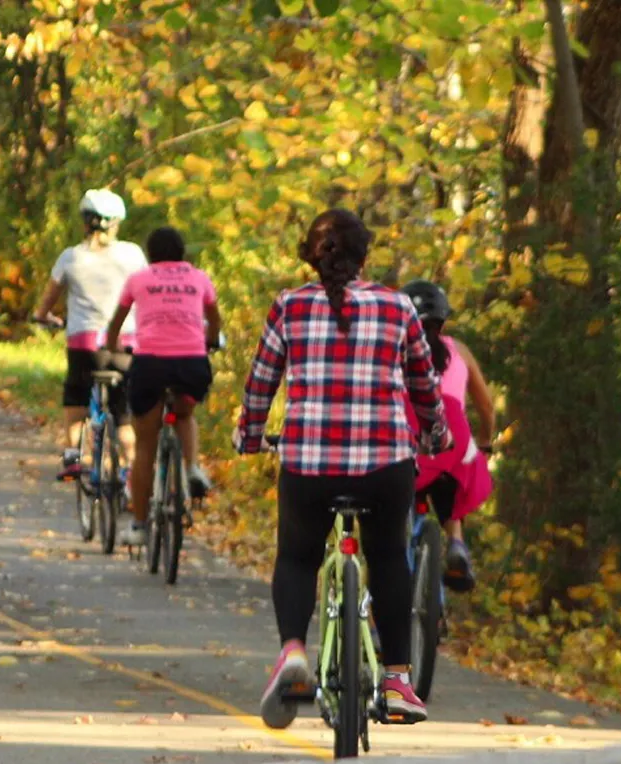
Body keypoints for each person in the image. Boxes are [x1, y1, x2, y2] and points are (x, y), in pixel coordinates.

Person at [234, 209, 451, 729]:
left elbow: (262, 382)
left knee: (297, 556)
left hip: (309, 465)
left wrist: (249, 435)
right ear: (364, 257)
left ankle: (292, 652)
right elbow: (424, 387)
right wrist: (437, 434)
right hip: (385, 466)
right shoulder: (398, 307)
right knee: (389, 557)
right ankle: (398, 680)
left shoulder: (289, 306)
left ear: (310, 255)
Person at [103, 227, 221, 547]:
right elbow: (214, 316)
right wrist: (210, 341)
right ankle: (192, 467)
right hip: (191, 363)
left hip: (150, 363)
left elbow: (117, 321)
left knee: (145, 445)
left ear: (150, 253)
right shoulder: (199, 278)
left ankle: (140, 526)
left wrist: (113, 348)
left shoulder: (139, 279)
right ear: (182, 253)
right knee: (184, 413)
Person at [30, 189, 147, 480]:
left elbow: (46, 302)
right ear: (117, 223)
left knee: (76, 395)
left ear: (85, 223)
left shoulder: (70, 258)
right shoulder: (132, 254)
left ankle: (72, 454)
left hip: (84, 345)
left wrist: (44, 317)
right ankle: (130, 469)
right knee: (123, 411)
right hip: (124, 344)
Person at [400, 279, 495, 592]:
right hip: (454, 438)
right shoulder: (461, 351)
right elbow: (486, 407)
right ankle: (456, 543)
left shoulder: (395, 351)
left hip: (411, 438)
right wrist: (486, 442)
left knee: (399, 503)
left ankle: (395, 570)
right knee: (451, 486)